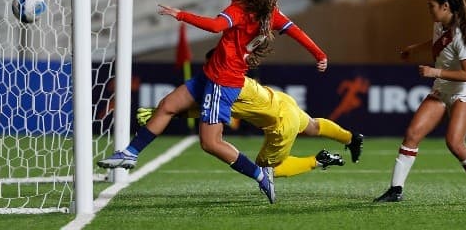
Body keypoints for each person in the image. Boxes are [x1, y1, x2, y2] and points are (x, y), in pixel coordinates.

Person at [98, 0, 328, 204]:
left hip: (223, 81)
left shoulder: (239, 10)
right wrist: (320, 55)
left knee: (210, 143)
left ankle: (260, 175)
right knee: (167, 105)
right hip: (212, 75)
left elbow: (216, 26)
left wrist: (181, 15)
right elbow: (296, 32)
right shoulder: (269, 12)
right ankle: (130, 153)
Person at [374, 0, 466, 204]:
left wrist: (434, 72)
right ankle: (396, 190)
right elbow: (438, 45)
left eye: (431, 6)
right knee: (412, 134)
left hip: (465, 91)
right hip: (443, 88)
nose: (429, 10)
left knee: (455, 143)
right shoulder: (439, 24)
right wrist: (414, 48)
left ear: (445, 6)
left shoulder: (462, 36)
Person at [137, 75, 364, 178]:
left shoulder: (221, 91)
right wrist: (168, 113)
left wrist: (168, 113)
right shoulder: (237, 79)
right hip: (284, 102)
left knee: (264, 170)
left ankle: (318, 160)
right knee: (313, 126)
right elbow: (203, 108)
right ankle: (351, 138)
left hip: (281, 124)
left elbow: (203, 109)